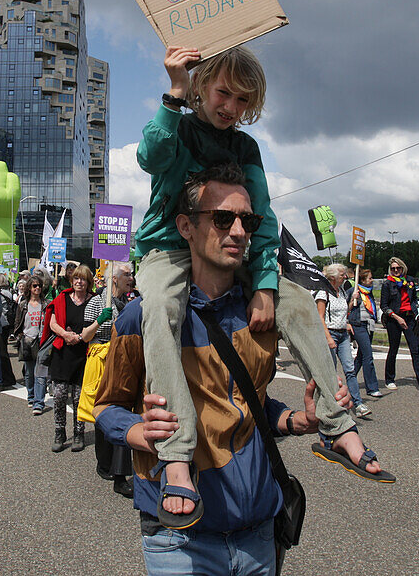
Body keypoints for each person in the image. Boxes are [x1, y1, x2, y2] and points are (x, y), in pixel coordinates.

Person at [95, 166, 389, 571]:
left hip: (257, 528)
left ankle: (340, 428)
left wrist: (293, 419)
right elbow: (105, 406)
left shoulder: (262, 314)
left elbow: (248, 401)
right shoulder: (140, 317)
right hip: (178, 538)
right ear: (186, 226)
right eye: (221, 218)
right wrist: (137, 432)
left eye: (246, 220)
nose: (237, 231)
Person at [133, 46, 353, 519]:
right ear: (201, 86)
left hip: (230, 248)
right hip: (168, 247)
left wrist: (267, 284)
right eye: (224, 93)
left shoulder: (245, 147)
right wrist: (173, 92)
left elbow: (264, 217)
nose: (230, 108)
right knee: (160, 309)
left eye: (242, 101)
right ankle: (176, 456)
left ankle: (338, 424)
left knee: (297, 302)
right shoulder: (181, 124)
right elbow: (150, 157)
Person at [82, 261, 135, 497]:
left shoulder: (128, 303)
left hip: (122, 360)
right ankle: (106, 464)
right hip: (102, 360)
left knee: (120, 411)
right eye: (126, 274)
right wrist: (99, 321)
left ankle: (117, 470)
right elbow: (85, 336)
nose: (131, 278)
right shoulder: (96, 302)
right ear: (114, 278)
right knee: (104, 412)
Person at [47, 263, 93, 453]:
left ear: (88, 282)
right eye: (76, 278)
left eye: (83, 278)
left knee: (78, 397)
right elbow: (52, 322)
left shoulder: (94, 301)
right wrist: (65, 335)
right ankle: (60, 432)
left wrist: (80, 337)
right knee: (58, 396)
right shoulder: (63, 298)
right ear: (71, 280)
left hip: (83, 354)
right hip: (63, 353)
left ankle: (79, 433)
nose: (79, 281)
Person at [316, 263, 370, 418]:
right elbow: (320, 318)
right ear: (332, 277)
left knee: (350, 369)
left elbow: (342, 311)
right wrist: (328, 338)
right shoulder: (323, 293)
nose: (345, 277)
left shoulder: (341, 291)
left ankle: (358, 404)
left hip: (343, 335)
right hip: (330, 334)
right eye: (342, 275)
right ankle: (332, 403)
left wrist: (351, 304)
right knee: (331, 372)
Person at [381, 256, 419, 393]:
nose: (395, 270)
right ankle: (389, 379)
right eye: (393, 268)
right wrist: (396, 317)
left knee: (415, 349)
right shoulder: (387, 284)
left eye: (398, 268)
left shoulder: (410, 281)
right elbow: (384, 305)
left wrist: (414, 309)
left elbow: (413, 299)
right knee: (393, 349)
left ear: (403, 268)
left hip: (409, 318)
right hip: (394, 319)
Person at [14, 274, 48, 414]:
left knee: (41, 373)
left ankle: (39, 403)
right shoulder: (23, 305)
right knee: (29, 372)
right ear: (29, 288)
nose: (37, 288)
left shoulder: (46, 304)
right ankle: (31, 396)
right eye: (34, 286)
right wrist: (19, 336)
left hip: (42, 341)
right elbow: (17, 322)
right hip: (27, 340)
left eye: (39, 285)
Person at [348, 268, 384, 398]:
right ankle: (372, 387)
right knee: (368, 356)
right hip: (358, 325)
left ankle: (349, 379)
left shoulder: (369, 293)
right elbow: (346, 308)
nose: (372, 280)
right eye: (369, 278)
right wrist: (353, 300)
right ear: (362, 280)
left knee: (361, 357)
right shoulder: (353, 291)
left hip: (369, 325)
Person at [0, 273, 18, 386]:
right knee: (3, 350)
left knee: (1, 351)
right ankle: (5, 376)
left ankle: (6, 377)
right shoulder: (8, 293)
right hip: (7, 323)